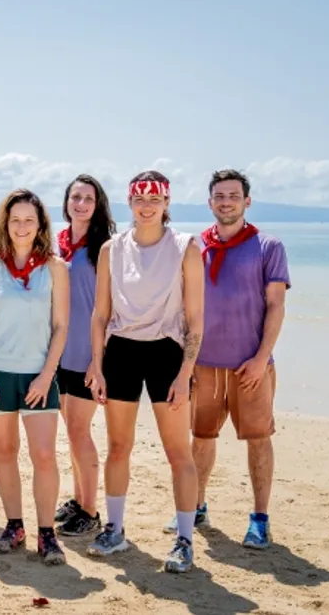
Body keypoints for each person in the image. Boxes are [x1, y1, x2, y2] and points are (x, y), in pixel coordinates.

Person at [162, 169, 289, 550]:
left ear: (247, 201)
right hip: (202, 364)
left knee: (258, 440)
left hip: (250, 365)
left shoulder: (268, 246)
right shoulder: (195, 246)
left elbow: (276, 306)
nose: (226, 201)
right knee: (200, 440)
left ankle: (260, 519)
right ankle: (197, 507)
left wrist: (261, 358)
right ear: (210, 202)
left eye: (234, 195)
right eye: (219, 196)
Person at [86, 170, 204, 574]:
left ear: (167, 203)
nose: (147, 205)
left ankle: (185, 539)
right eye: (140, 199)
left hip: (167, 353)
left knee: (178, 452)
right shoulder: (111, 249)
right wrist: (97, 366)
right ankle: (114, 529)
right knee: (118, 447)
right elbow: (100, 314)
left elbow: (195, 319)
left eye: (156, 199)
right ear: (130, 202)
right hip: (121, 351)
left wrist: (185, 372)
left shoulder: (186, 247)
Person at [0, 189, 69, 565]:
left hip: (38, 374)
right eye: (15, 220)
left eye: (29, 219)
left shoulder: (55, 267)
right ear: (4, 224)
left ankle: (47, 533)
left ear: (40, 223)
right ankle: (15, 525)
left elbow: (60, 327)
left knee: (44, 455)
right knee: (5, 452)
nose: (22, 227)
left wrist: (47, 377)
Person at [53, 175, 116, 537]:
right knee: (71, 430)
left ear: (98, 204)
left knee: (79, 430)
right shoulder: (60, 245)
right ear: (66, 203)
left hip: (87, 354)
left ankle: (91, 512)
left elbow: (112, 308)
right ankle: (79, 501)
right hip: (59, 355)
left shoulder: (104, 247)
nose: (80, 203)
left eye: (88, 198)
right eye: (75, 197)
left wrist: (99, 359)